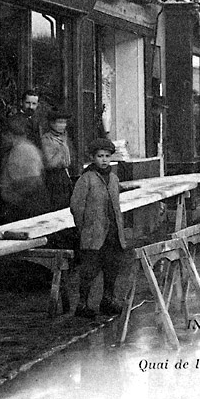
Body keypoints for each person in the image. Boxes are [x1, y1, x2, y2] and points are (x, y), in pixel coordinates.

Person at [70, 138, 128, 319]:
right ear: (92, 158)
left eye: (107, 156)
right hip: (93, 234)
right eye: (100, 156)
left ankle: (107, 300)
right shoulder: (86, 179)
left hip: (113, 233)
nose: (104, 160)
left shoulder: (113, 178)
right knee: (89, 271)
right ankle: (82, 304)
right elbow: (76, 206)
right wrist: (85, 228)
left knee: (112, 268)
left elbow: (116, 205)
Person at [1, 120, 48, 224]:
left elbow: (32, 180)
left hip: (26, 203)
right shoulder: (28, 147)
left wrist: (13, 196)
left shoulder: (21, 150)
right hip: (30, 200)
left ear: (10, 135)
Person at [41, 107, 73, 212]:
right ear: (51, 123)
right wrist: (61, 149)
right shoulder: (47, 139)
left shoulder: (65, 137)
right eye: (59, 122)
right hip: (54, 178)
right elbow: (50, 164)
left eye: (64, 122)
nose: (62, 125)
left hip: (65, 176)